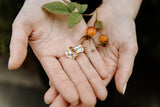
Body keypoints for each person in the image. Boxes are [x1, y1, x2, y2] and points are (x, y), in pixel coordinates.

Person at [8, 0, 142, 106]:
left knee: (100, 80)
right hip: (54, 28)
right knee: (54, 72)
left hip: (103, 13)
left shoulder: (97, 34)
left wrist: (121, 6)